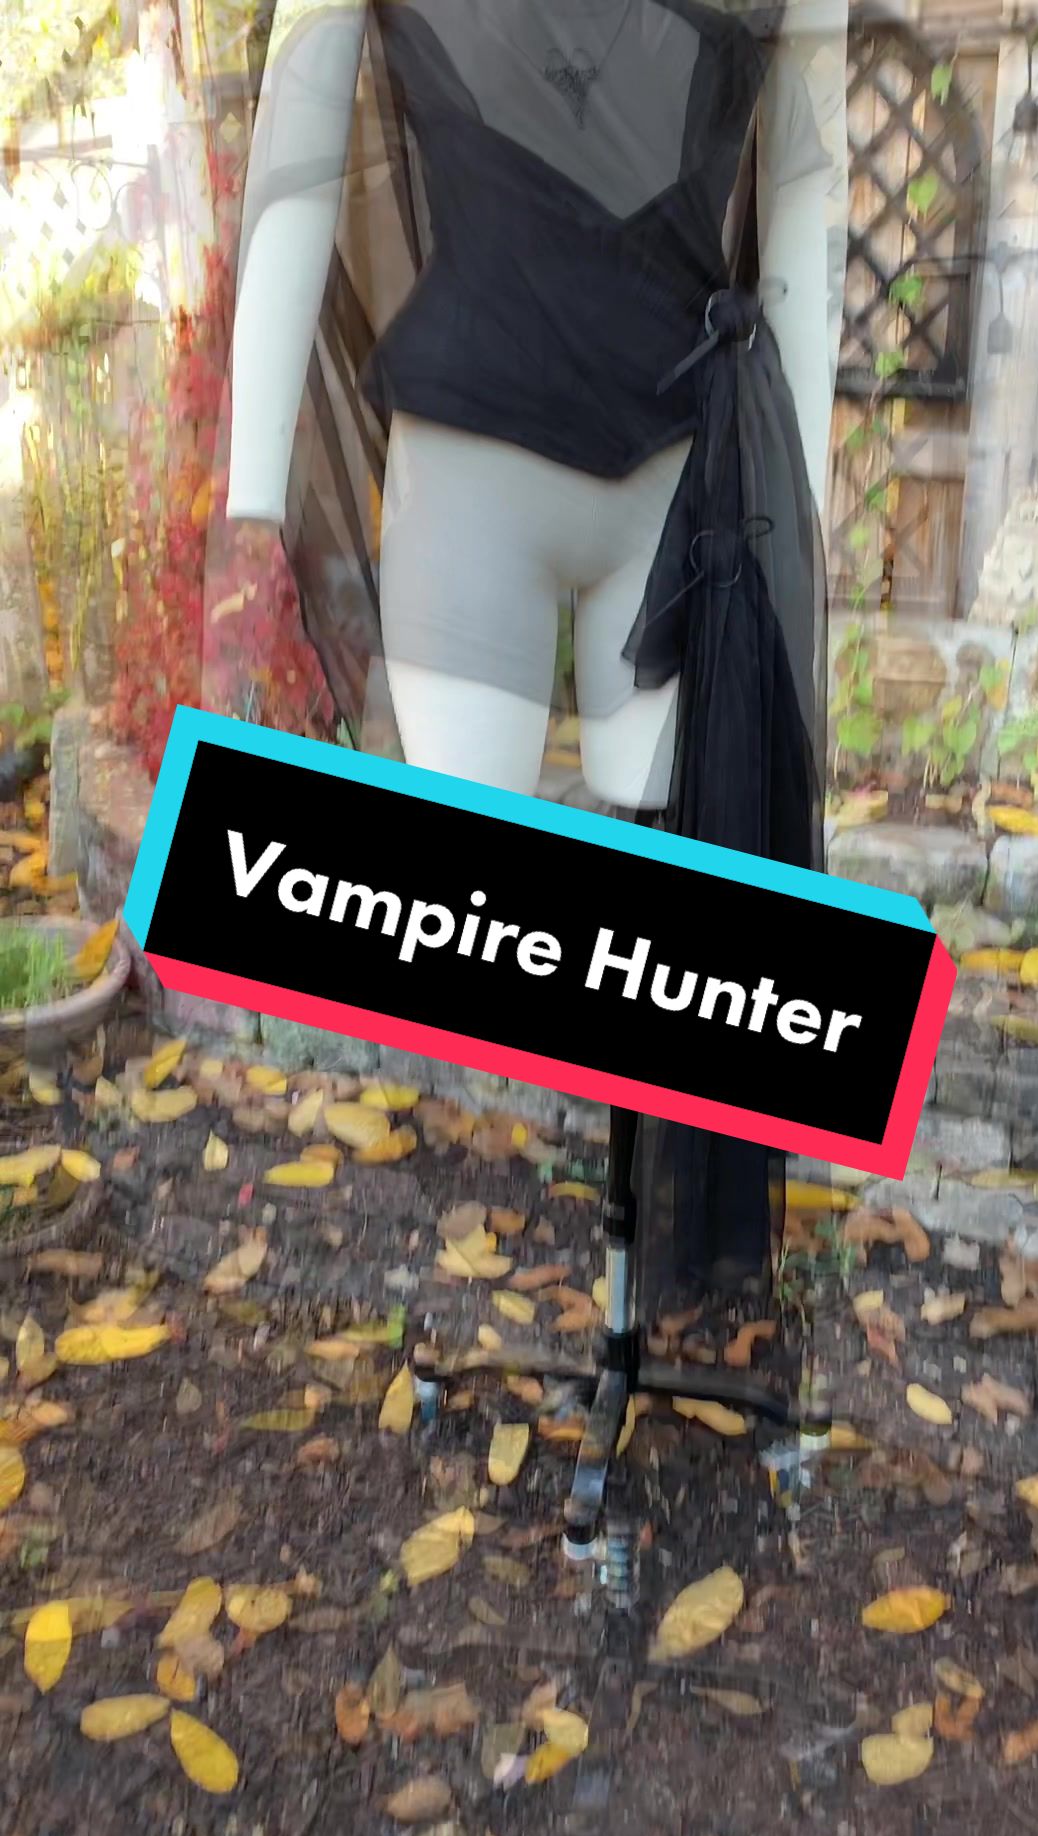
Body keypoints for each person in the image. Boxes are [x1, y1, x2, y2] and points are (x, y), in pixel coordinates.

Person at [222, 0, 847, 1304]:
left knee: (676, 872)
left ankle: (634, 1266)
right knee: (456, 896)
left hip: (684, 489)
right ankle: (635, 1185)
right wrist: (251, 504)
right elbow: (295, 163)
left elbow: (808, 186)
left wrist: (800, 500)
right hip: (473, 484)